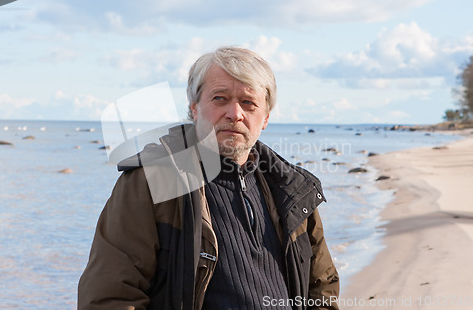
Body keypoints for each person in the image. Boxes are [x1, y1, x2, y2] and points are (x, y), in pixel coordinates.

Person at [78, 46, 339, 309]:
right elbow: (110, 296)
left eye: (248, 103)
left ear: (265, 118)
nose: (234, 113)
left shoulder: (291, 189)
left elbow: (322, 288)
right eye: (220, 98)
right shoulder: (154, 182)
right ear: (194, 108)